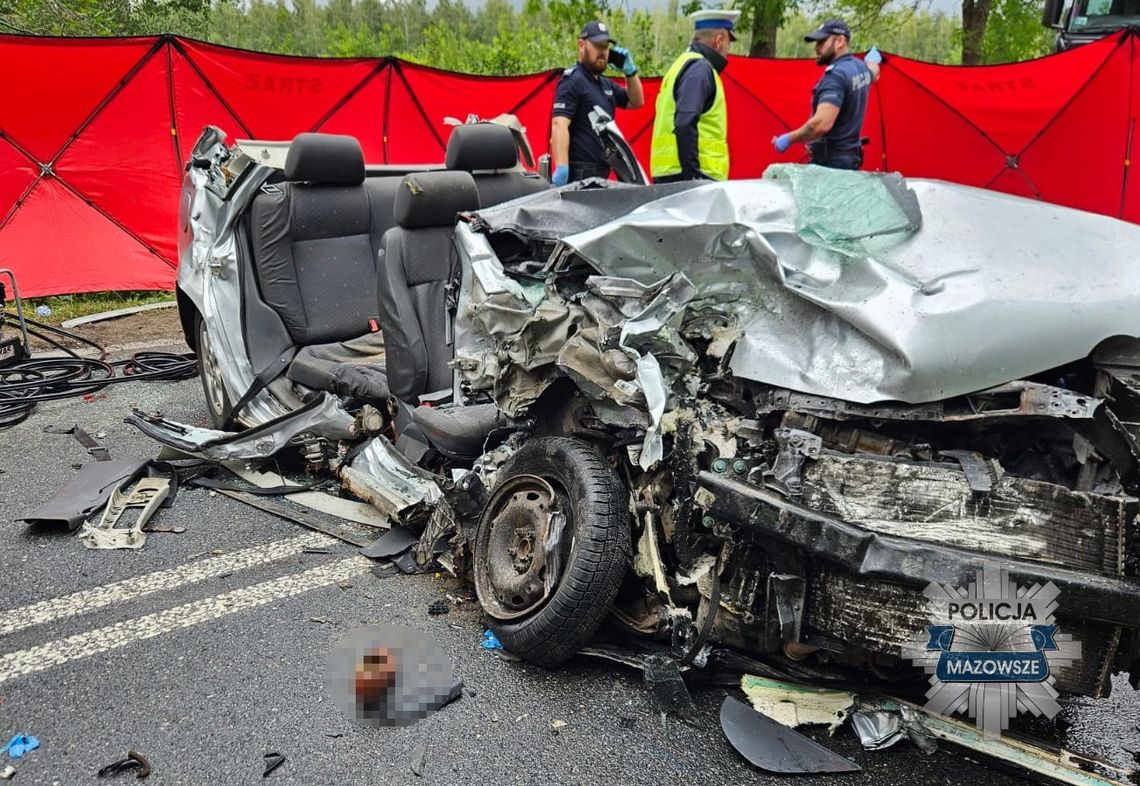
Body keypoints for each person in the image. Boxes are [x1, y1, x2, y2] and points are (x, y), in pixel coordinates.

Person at [771, 19, 881, 170]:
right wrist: (873, 60)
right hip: (850, 159)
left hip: (831, 165)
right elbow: (874, 72)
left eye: (822, 42)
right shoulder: (860, 67)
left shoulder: (835, 77)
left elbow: (821, 124)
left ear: (840, 41)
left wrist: (788, 139)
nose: (816, 48)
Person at [650, 9, 739, 183]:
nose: (728, 49)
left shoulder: (683, 64)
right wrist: (693, 178)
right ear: (719, 40)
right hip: (692, 180)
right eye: (729, 42)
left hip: (674, 174)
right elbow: (684, 122)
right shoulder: (700, 69)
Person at [550, 21, 644, 186]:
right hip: (578, 176)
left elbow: (636, 101)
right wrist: (562, 168)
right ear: (581, 45)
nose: (603, 52)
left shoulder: (606, 85)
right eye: (598, 46)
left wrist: (630, 72)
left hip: (602, 175)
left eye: (606, 47)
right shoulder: (572, 80)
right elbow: (559, 124)